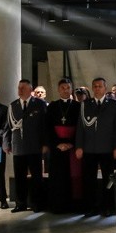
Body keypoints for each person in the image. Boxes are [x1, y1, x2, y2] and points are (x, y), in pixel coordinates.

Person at [75, 77, 116, 217]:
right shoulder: (85, 104)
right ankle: (90, 207)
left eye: (100, 86)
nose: (97, 88)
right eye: (95, 86)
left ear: (105, 88)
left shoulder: (113, 104)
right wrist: (79, 146)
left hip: (107, 148)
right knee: (88, 179)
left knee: (108, 180)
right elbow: (80, 127)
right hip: (89, 148)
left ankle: (106, 207)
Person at [4, 79, 48, 213]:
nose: (20, 90)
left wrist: (45, 143)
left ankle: (37, 204)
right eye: (19, 88)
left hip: (34, 146)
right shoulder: (13, 106)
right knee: (20, 177)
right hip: (18, 147)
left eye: (23, 88)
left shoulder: (39, 104)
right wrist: (6, 143)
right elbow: (8, 127)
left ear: (30, 90)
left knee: (36, 177)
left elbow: (45, 125)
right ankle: (20, 203)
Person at [46, 78, 82, 213]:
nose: (65, 90)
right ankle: (58, 206)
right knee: (58, 177)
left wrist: (70, 144)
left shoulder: (78, 106)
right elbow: (48, 128)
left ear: (71, 89)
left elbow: (80, 128)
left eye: (68, 88)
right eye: (63, 88)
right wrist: (58, 143)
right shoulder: (52, 106)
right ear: (58, 89)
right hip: (57, 148)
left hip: (73, 148)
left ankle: (73, 206)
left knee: (73, 177)